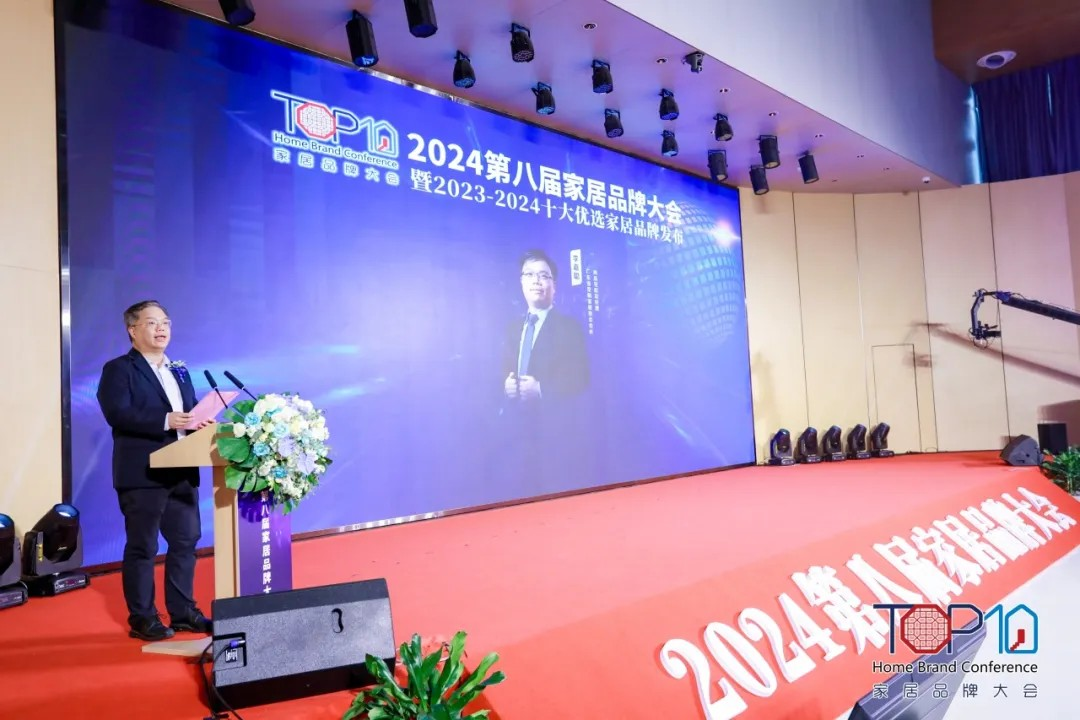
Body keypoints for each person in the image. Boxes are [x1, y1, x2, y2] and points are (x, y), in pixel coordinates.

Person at [96, 300, 212, 641]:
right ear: (133, 330)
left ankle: (183, 612)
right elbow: (117, 413)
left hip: (182, 469)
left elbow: (186, 413)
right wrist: (165, 420)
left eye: (165, 322)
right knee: (143, 546)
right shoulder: (119, 369)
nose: (161, 328)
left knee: (185, 542)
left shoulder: (179, 371)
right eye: (152, 322)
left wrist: (199, 421)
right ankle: (143, 618)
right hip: (143, 473)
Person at [502, 249, 590, 403]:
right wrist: (506, 386)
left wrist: (540, 390)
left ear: (554, 286)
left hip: (552, 415)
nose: (536, 281)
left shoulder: (570, 328)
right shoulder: (512, 329)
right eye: (529, 274)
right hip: (513, 416)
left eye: (543, 276)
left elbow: (580, 380)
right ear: (521, 282)